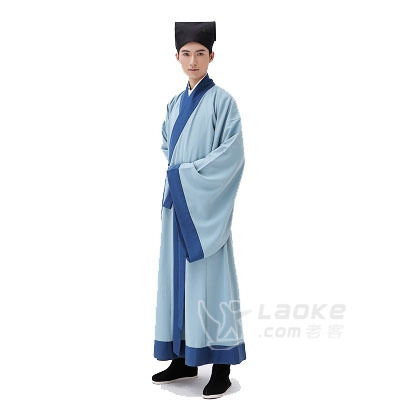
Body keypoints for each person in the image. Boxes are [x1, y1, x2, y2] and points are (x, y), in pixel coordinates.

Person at [152, 21, 246, 399]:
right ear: (177, 57)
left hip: (205, 208)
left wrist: (188, 178)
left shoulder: (224, 103)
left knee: (212, 283)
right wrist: (179, 180)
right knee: (176, 282)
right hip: (178, 206)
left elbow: (231, 156)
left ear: (212, 56)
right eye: (186, 53)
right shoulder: (175, 104)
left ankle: (221, 366)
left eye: (200, 53)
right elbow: (167, 146)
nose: (193, 60)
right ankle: (183, 359)